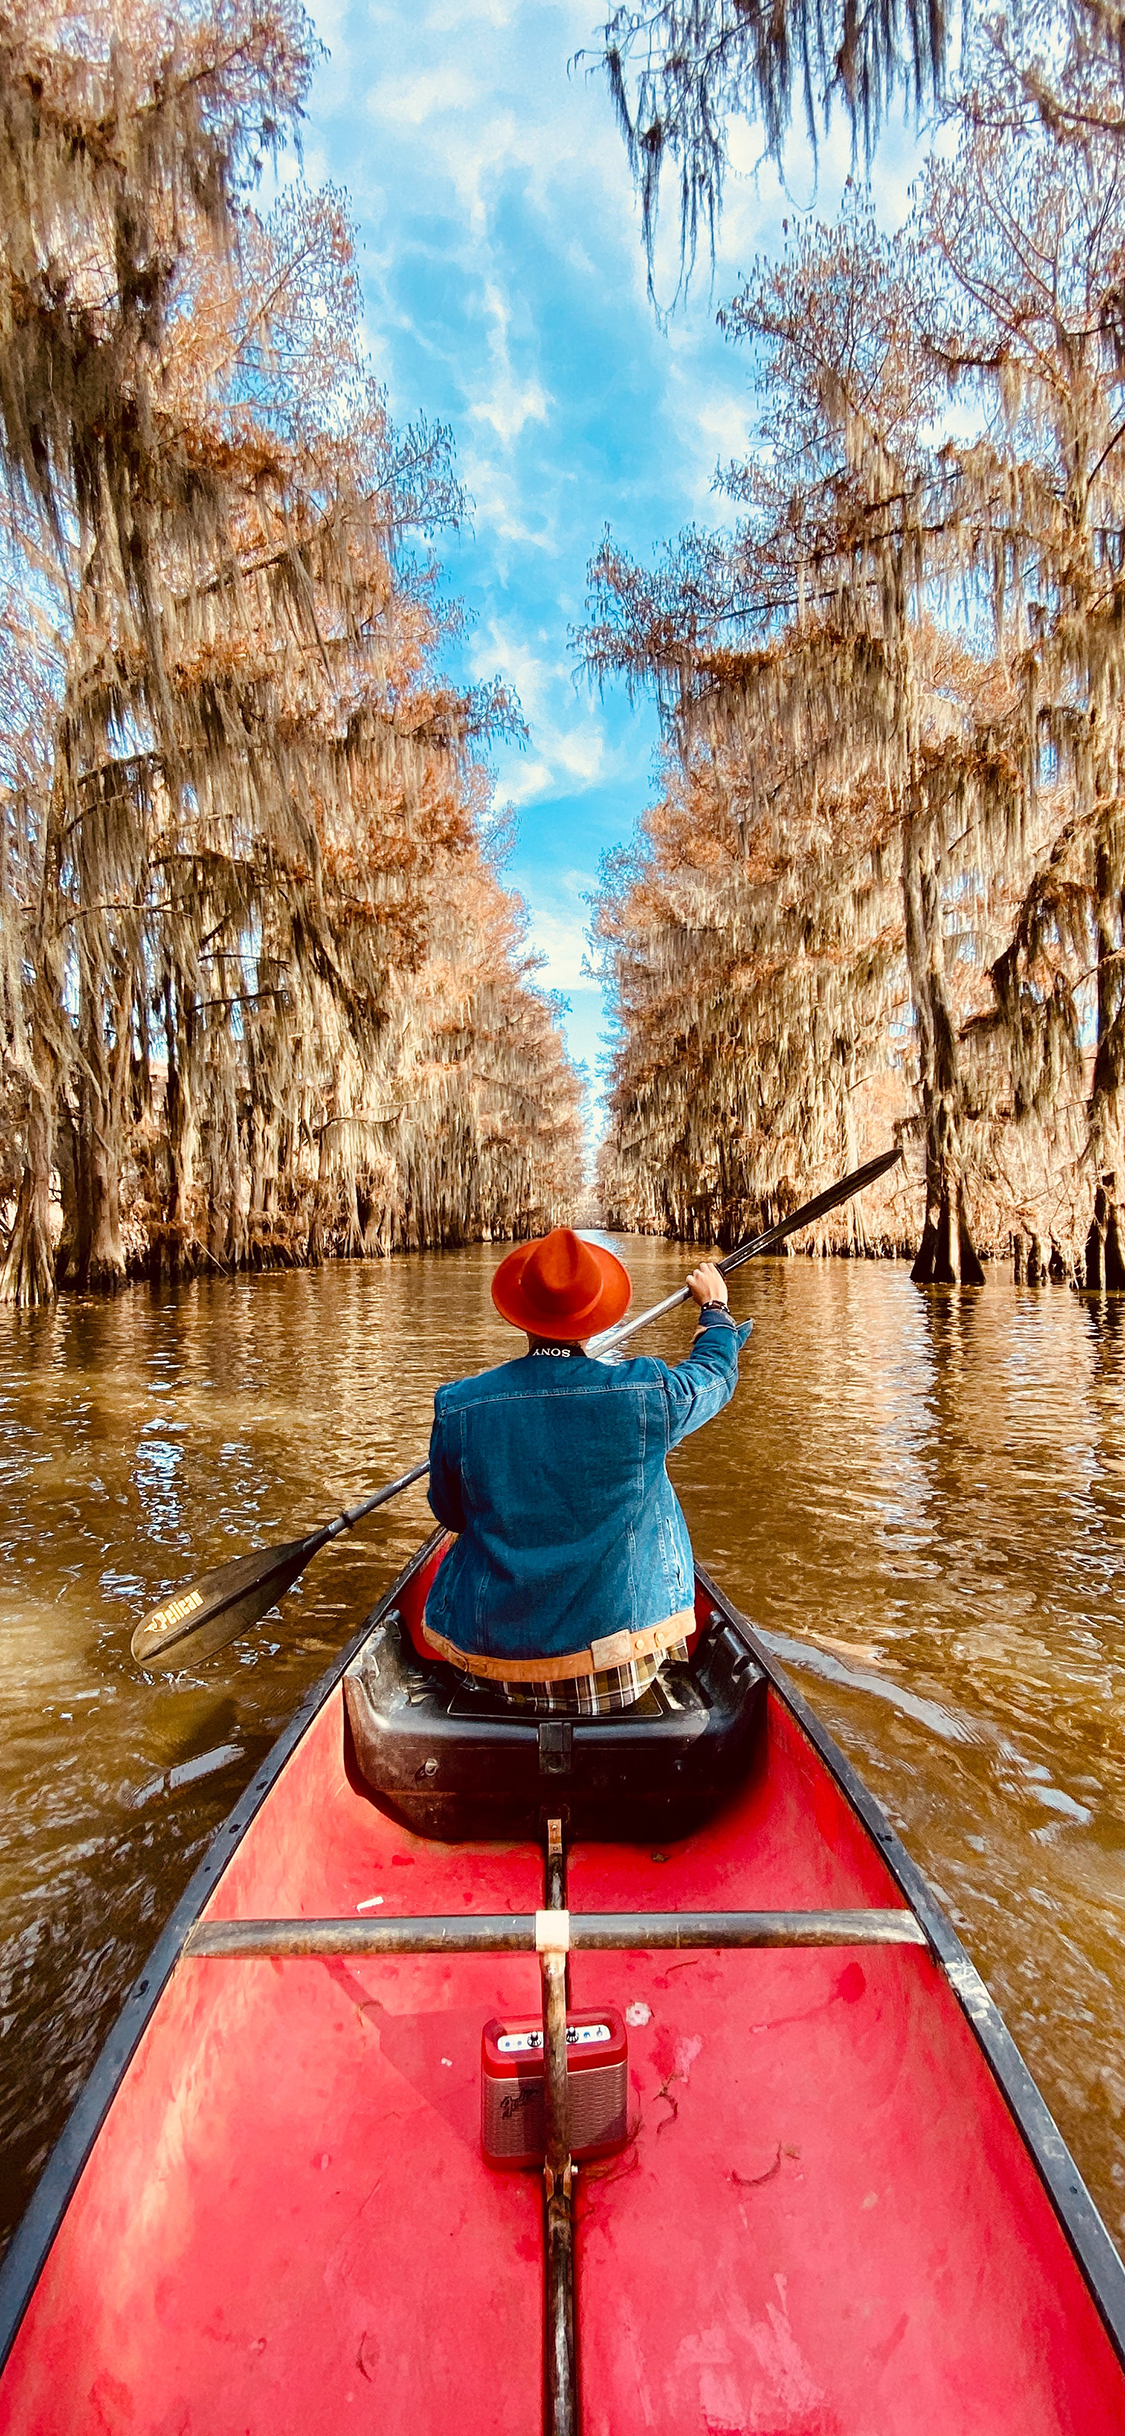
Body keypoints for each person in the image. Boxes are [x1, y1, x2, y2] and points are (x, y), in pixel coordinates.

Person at [423, 1227, 752, 1715]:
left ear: (522, 1315)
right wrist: (716, 1312)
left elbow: (450, 1514)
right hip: (617, 1673)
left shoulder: (460, 1405)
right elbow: (714, 1375)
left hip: (491, 1669)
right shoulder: (645, 1393)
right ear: (594, 1321)